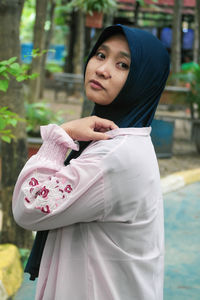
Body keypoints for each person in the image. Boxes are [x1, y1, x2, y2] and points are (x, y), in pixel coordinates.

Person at [12, 24, 170, 300]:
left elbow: (29, 206)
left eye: (122, 65)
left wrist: (60, 137)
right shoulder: (126, 141)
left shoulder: (113, 157)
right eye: (100, 55)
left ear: (145, 80)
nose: (102, 69)